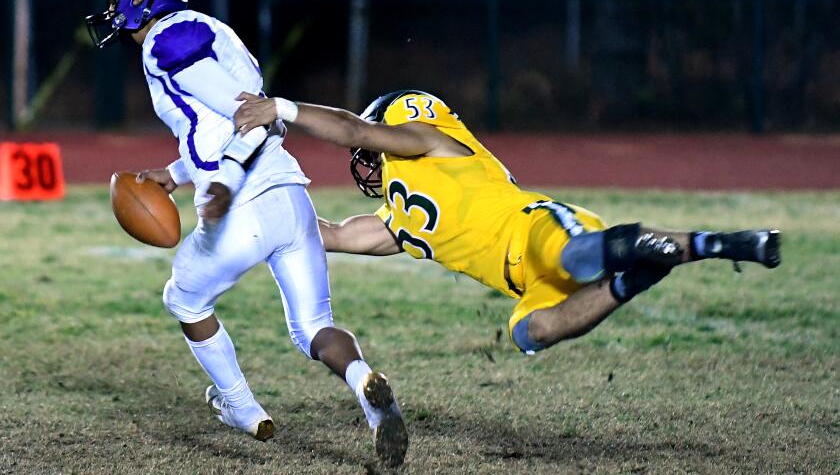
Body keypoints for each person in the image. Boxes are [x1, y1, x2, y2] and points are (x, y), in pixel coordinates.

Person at [85, 0, 407, 467]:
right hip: (289, 194)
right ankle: (367, 386)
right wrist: (175, 173)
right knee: (314, 327)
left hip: (243, 204)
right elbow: (246, 122)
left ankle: (240, 405)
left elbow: (246, 116)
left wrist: (223, 184)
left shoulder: (163, 43)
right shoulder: (210, 29)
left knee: (184, 299)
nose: (108, 7)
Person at [232, 89, 781, 354]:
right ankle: (638, 274)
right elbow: (323, 234)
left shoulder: (433, 144)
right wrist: (251, 205)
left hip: (537, 227)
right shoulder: (396, 218)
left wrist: (282, 109)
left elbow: (354, 131)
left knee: (577, 255)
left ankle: (722, 243)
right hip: (524, 280)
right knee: (530, 334)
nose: (365, 164)